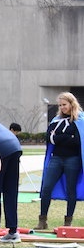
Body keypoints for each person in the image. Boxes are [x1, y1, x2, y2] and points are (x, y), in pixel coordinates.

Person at [37, 92, 84, 229]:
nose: (62, 107)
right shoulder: (56, 120)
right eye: (60, 105)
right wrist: (66, 137)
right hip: (56, 158)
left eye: (64, 104)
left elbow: (76, 142)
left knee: (71, 190)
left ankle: (68, 221)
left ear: (71, 104)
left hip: (73, 160)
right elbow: (50, 138)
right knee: (46, 188)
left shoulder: (80, 120)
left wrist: (60, 138)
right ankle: (42, 220)